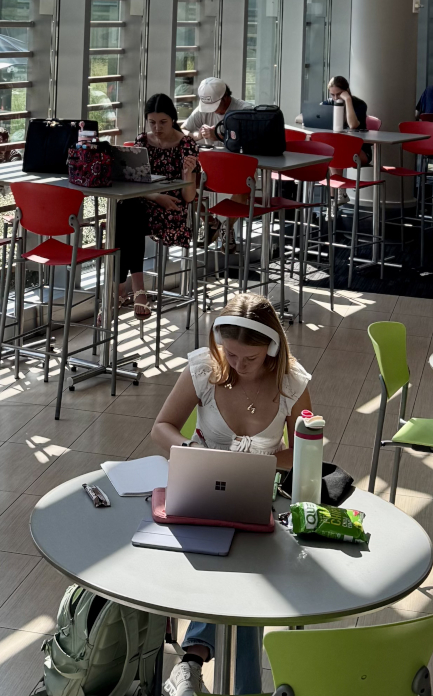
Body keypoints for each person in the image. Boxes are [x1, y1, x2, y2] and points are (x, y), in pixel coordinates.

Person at [151, 293, 313, 696]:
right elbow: (162, 428)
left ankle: (191, 660)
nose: (236, 365)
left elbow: (305, 450)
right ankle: (245, 689)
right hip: (203, 488)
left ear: (272, 350)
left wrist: (262, 464)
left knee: (241, 573)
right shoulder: (206, 368)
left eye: (248, 359)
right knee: (239, 575)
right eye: (230, 353)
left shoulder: (291, 383)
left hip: (260, 493)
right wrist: (190, 452)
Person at [112, 94, 199, 317]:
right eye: (152, 122)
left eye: (163, 122)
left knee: (125, 216)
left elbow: (188, 198)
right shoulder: (143, 141)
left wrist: (188, 174)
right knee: (127, 209)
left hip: (173, 208)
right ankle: (137, 288)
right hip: (148, 201)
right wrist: (155, 196)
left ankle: (120, 288)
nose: (157, 128)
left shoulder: (186, 144)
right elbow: (134, 183)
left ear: (173, 120)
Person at [185, 77, 252, 145]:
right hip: (213, 155)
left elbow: (253, 141)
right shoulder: (202, 111)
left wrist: (218, 136)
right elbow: (181, 130)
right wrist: (196, 136)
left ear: (225, 97)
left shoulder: (245, 111)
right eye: (207, 106)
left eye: (213, 105)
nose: (210, 110)